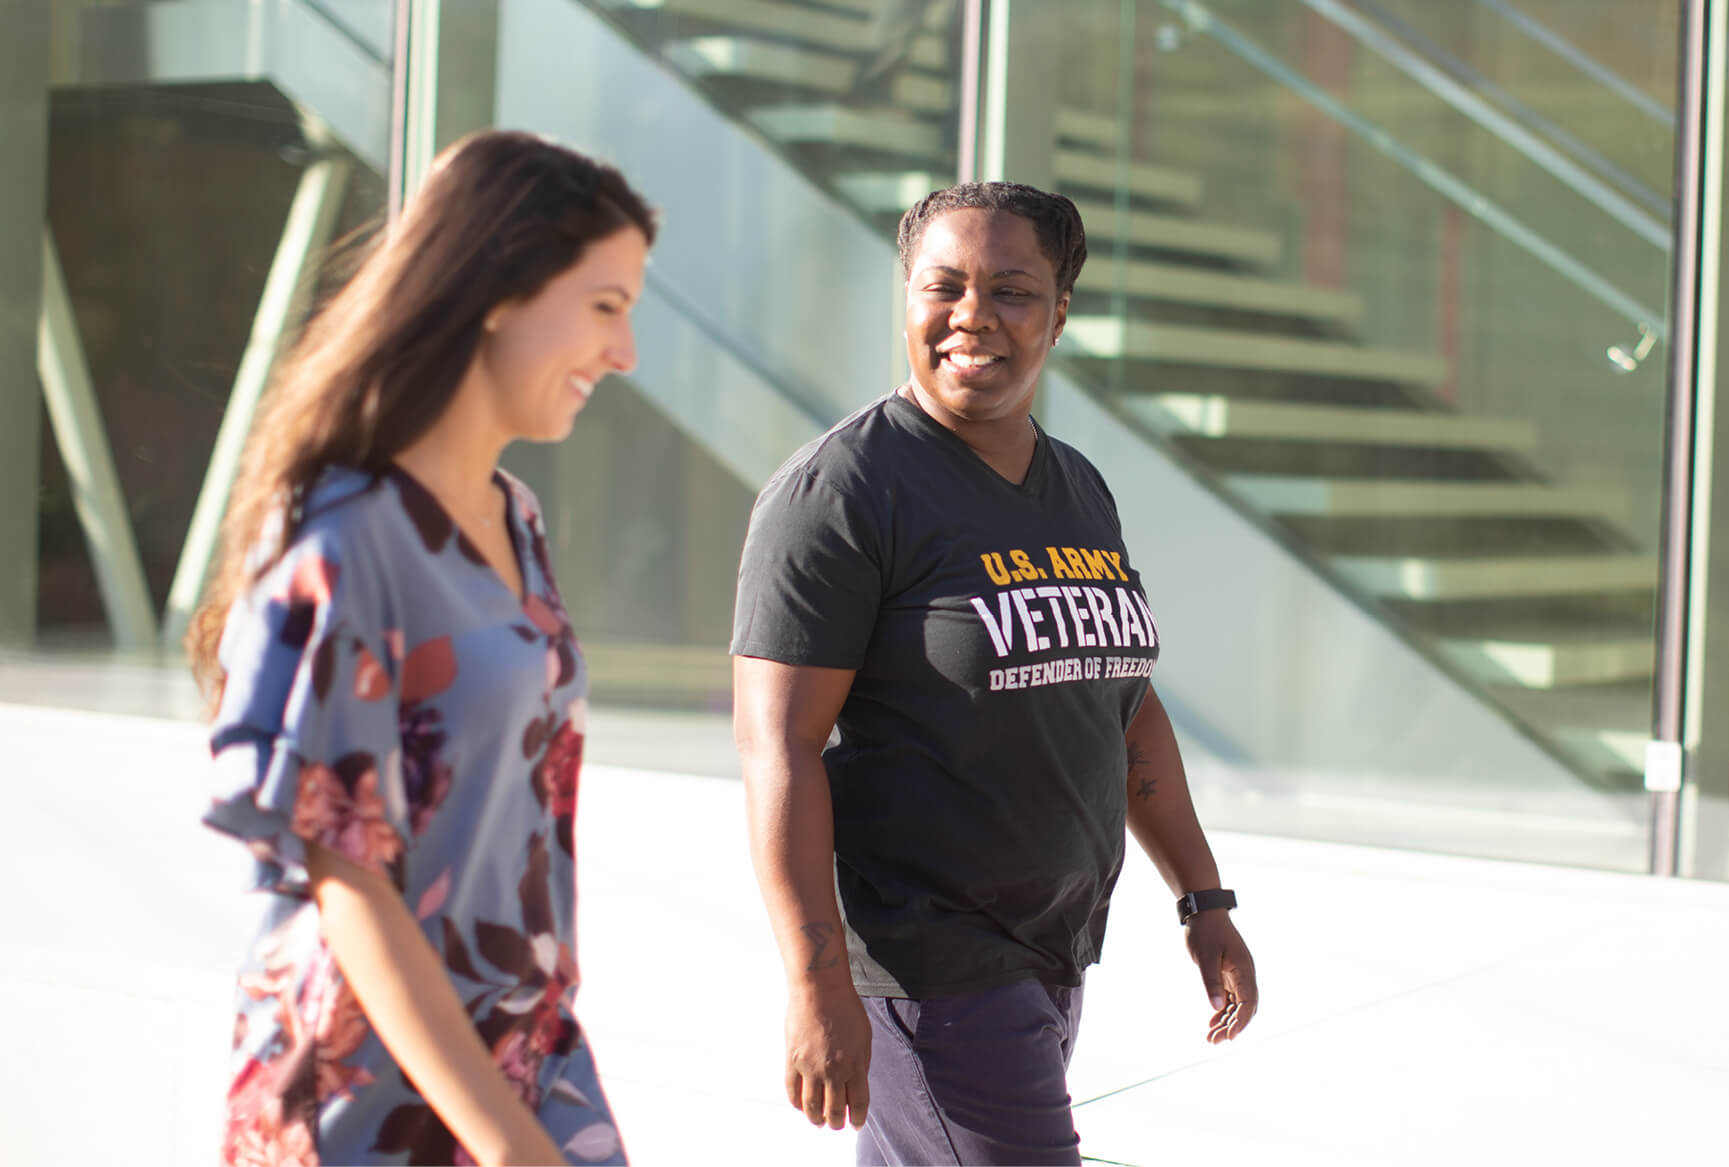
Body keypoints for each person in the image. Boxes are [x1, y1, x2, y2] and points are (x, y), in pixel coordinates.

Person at [730, 181, 1258, 1166]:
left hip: (1050, 948)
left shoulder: (1075, 488)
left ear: (1057, 314)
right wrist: (815, 983)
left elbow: (1124, 708)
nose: (971, 316)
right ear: (907, 298)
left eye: (1010, 291)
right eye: (943, 286)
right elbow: (777, 746)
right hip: (925, 966)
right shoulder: (842, 492)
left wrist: (1202, 899)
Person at [188, 130, 655, 1166]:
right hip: (369, 1088)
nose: (624, 354)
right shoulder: (344, 536)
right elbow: (347, 878)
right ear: (500, 286)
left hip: (527, 1048)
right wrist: (504, 1143)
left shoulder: (514, 517)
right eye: (606, 307)